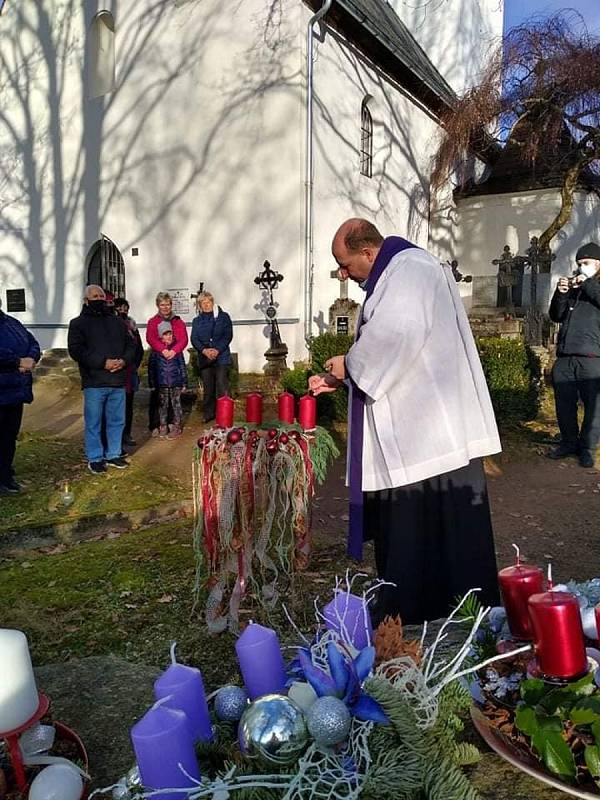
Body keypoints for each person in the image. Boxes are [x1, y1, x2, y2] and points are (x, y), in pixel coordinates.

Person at [309, 218, 502, 625]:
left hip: (429, 432)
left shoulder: (409, 270)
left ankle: (429, 612)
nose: (343, 274)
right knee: (425, 530)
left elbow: (395, 337)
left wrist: (349, 365)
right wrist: (340, 376)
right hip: (421, 429)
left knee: (428, 532)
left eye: (344, 264)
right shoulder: (398, 273)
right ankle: (420, 606)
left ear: (367, 252)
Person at [68, 285, 136, 474]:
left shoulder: (116, 322)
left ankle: (113, 453)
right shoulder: (77, 324)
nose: (98, 298)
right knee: (94, 423)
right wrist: (102, 363)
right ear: (86, 300)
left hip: (117, 380)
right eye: (94, 296)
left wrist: (123, 361)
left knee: (117, 421)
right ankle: (95, 457)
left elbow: (131, 345)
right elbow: (76, 350)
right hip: (94, 381)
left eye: (101, 296)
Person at [548, 242, 600, 469]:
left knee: (594, 408)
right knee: (564, 405)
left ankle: (587, 449)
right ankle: (569, 442)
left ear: (598, 264)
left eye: (586, 263)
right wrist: (560, 294)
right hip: (566, 356)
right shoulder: (575, 286)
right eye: (579, 264)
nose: (581, 267)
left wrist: (587, 282)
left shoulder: (591, 285)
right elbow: (556, 315)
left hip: (593, 357)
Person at [0, 303, 40, 494]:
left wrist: (31, 359)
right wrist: (17, 361)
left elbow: (33, 343)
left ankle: (6, 476)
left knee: (9, 437)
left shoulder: (12, 323)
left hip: (15, 392)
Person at [146, 292, 188, 436]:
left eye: (168, 304)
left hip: (174, 357)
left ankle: (174, 424)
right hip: (159, 358)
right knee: (159, 399)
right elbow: (150, 338)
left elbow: (183, 339)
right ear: (158, 305)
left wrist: (174, 351)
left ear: (171, 305)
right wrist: (163, 350)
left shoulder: (178, 321)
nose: (165, 307)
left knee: (174, 400)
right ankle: (157, 424)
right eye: (162, 304)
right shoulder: (153, 321)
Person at [191, 292, 233, 423]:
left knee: (221, 385)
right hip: (205, 357)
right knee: (208, 388)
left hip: (221, 356)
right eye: (203, 303)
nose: (206, 305)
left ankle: (224, 414)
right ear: (199, 305)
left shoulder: (223, 317)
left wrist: (217, 350)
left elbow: (228, 335)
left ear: (212, 302)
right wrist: (204, 350)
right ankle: (209, 414)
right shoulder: (197, 321)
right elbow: (194, 338)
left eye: (208, 302)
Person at [114, 298, 144, 448]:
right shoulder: (111, 324)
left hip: (130, 371)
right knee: (117, 406)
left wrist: (135, 364)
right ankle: (115, 436)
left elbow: (138, 348)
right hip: (116, 371)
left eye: (125, 308)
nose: (123, 310)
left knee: (129, 406)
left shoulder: (132, 325)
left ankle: (127, 434)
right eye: (120, 308)